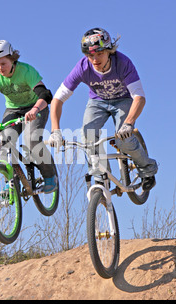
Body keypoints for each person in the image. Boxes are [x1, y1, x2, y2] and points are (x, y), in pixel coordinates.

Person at [48, 28, 157, 191]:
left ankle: (147, 170)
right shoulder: (83, 67)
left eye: (99, 53)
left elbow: (139, 97)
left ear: (109, 51)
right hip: (97, 101)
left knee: (124, 139)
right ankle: (101, 176)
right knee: (88, 135)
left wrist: (129, 123)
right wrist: (55, 130)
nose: (95, 59)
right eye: (90, 55)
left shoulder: (123, 63)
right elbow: (57, 99)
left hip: (124, 99)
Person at [0, 40, 58, 193]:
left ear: (12, 59)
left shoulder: (26, 71)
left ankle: (49, 176)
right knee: (4, 140)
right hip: (13, 110)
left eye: (3, 64)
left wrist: (34, 109)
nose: (0, 68)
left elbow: (45, 95)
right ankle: (11, 180)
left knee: (32, 140)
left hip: (36, 107)